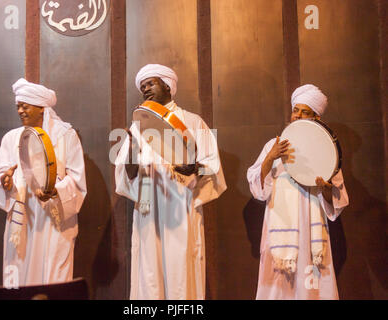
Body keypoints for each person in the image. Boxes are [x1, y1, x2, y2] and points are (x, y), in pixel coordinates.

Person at [115, 64, 227, 299]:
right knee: (149, 276)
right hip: (148, 212)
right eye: (142, 86)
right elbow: (127, 176)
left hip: (181, 211)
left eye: (151, 83)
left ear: (168, 86)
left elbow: (212, 167)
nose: (145, 89)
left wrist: (193, 169)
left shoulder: (193, 122)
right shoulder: (137, 127)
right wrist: (133, 152)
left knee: (181, 274)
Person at [247, 84, 349, 299]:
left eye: (305, 111)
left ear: (317, 117)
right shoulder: (274, 145)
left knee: (312, 290)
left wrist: (326, 190)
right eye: (296, 110)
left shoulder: (326, 150)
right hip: (279, 233)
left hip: (312, 238)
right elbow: (258, 190)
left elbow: (336, 201)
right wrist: (270, 157)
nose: (298, 116)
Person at [0, 78, 87, 286]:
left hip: (54, 221)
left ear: (42, 108)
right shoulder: (11, 138)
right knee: (19, 276)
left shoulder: (65, 136)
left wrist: (53, 191)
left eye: (25, 106)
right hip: (23, 219)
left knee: (53, 278)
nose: (20, 111)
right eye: (18, 107)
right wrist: (3, 181)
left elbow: (77, 181)